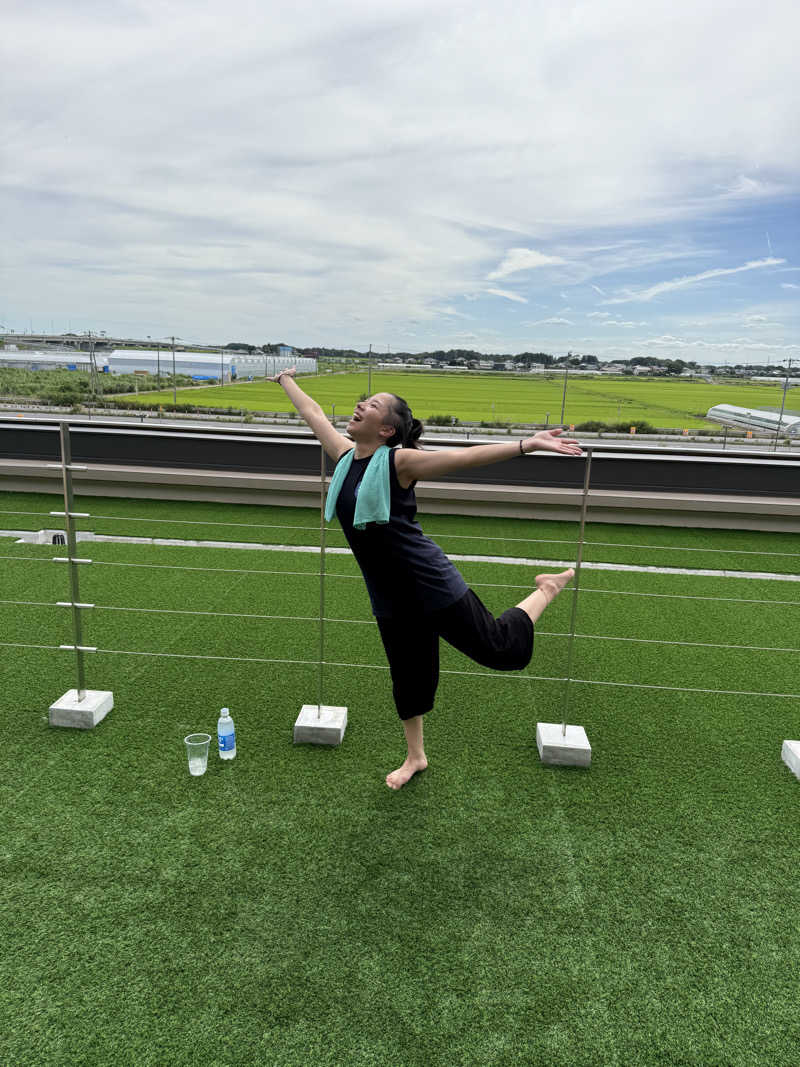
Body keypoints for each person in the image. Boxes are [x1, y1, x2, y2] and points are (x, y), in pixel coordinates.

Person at [270, 368, 581, 790]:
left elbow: (463, 458)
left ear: (386, 429)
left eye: (373, 404)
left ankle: (546, 588)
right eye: (364, 400)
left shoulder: (400, 462)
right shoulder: (345, 458)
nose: (361, 405)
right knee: (407, 677)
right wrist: (286, 379)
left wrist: (528, 444)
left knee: (500, 650)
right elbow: (313, 413)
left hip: (429, 582)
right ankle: (416, 757)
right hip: (388, 595)